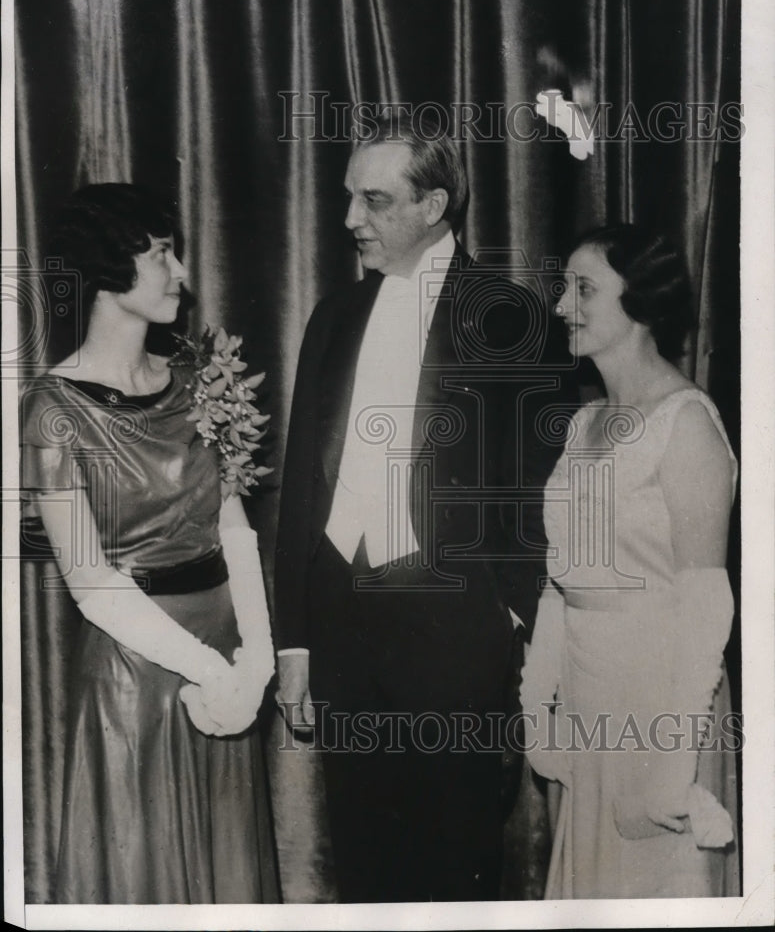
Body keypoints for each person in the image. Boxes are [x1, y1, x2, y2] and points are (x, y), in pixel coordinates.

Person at [273, 113, 573, 902]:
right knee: (365, 874)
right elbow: (304, 480)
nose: (349, 221)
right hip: (339, 631)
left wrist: (510, 623)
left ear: (433, 205)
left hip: (456, 641)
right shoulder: (333, 316)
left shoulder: (513, 320)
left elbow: (536, 493)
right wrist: (294, 643)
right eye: (348, 198)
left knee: (455, 871)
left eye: (373, 201)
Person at [20, 183, 279, 903]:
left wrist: (253, 663)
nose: (182, 272)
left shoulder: (201, 381)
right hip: (138, 676)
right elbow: (90, 580)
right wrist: (209, 670)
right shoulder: (52, 409)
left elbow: (233, 527)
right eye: (163, 253)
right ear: (110, 266)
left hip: (228, 662)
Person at [520, 224, 740, 898]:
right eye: (564, 287)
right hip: (588, 697)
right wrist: (538, 706)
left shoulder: (687, 425)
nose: (561, 306)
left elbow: (706, 607)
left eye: (582, 289)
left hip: (658, 704)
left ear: (639, 301)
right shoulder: (584, 423)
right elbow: (564, 585)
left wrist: (672, 764)